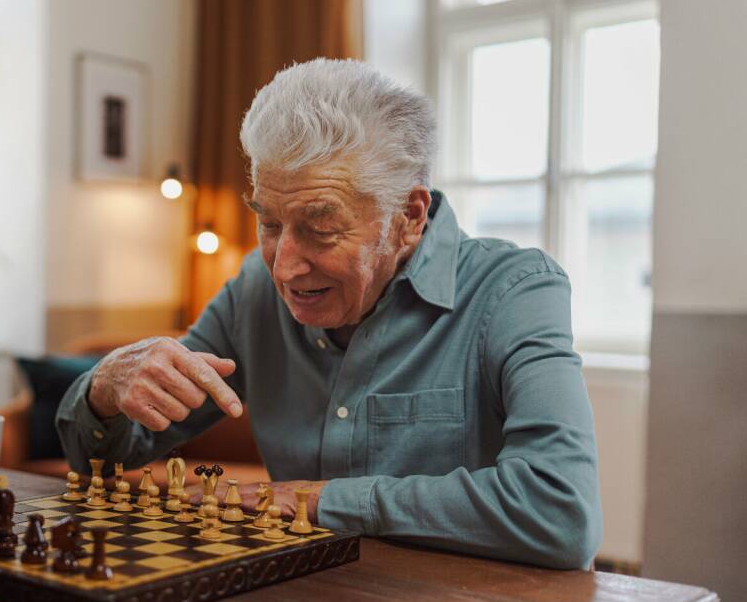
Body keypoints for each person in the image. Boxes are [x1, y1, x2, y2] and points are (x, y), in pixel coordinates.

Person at [57, 58, 602, 570]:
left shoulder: (516, 291)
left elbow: (561, 510)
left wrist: (328, 501)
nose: (285, 268)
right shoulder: (253, 289)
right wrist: (106, 389)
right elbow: (108, 454)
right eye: (269, 224)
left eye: (320, 228)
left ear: (409, 217)